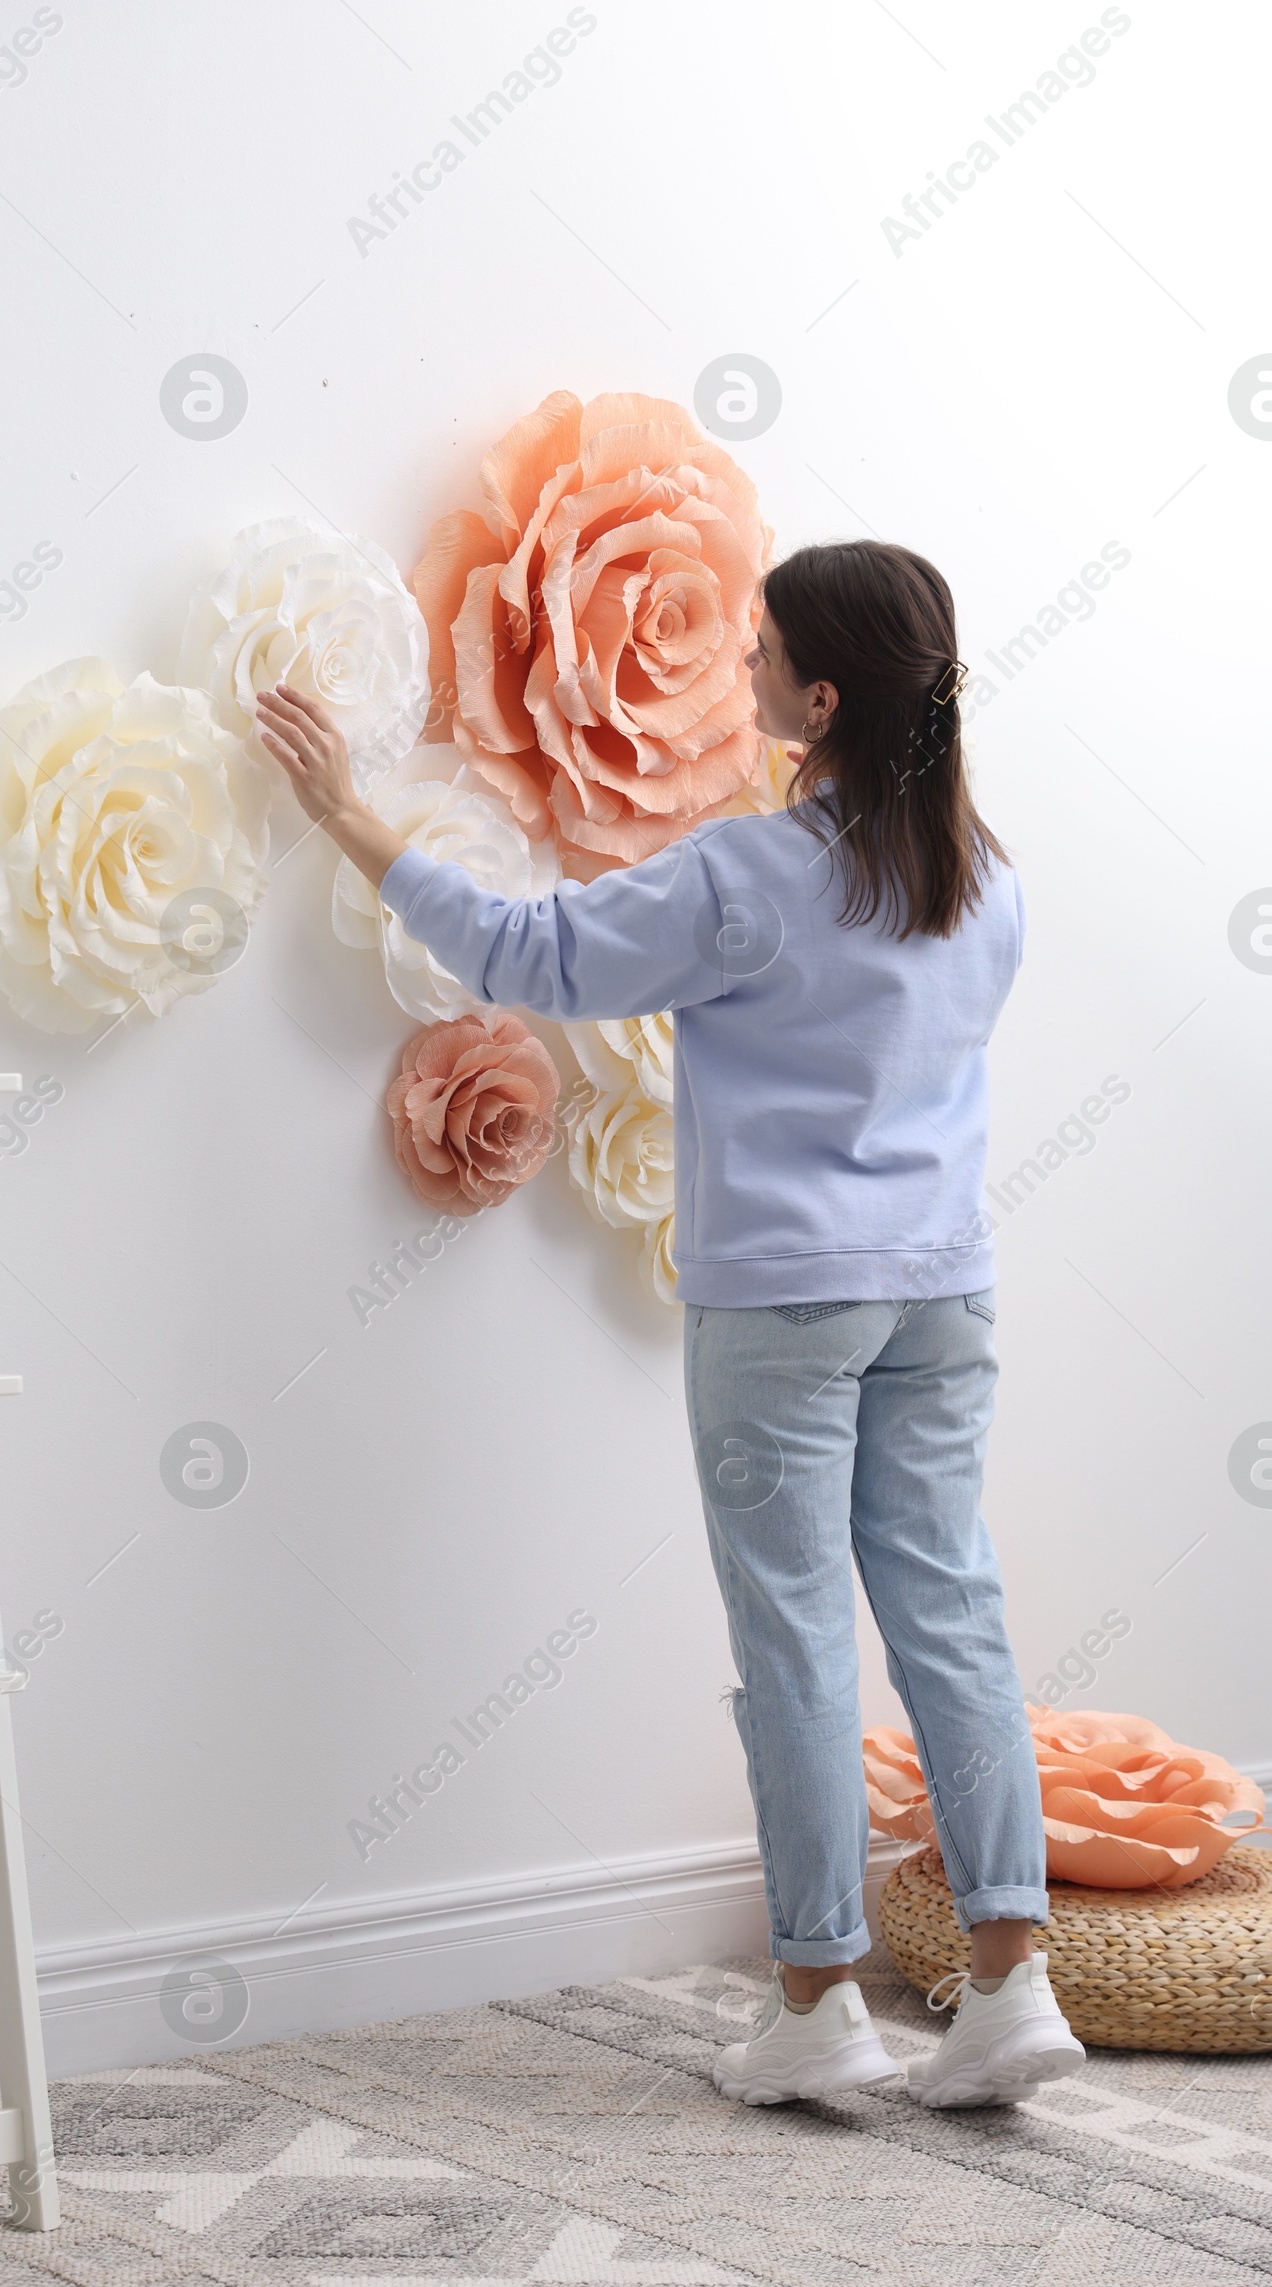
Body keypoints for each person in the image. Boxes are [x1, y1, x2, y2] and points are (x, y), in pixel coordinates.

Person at [255, 537, 1085, 2111]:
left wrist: (346, 813)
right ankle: (1009, 1981)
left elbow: (523, 956)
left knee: (794, 1638)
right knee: (950, 1614)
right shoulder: (990, 883)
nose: (740, 668)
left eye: (761, 651)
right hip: (943, 1289)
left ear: (821, 698)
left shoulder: (745, 878)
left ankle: (818, 2001)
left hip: (783, 1303)